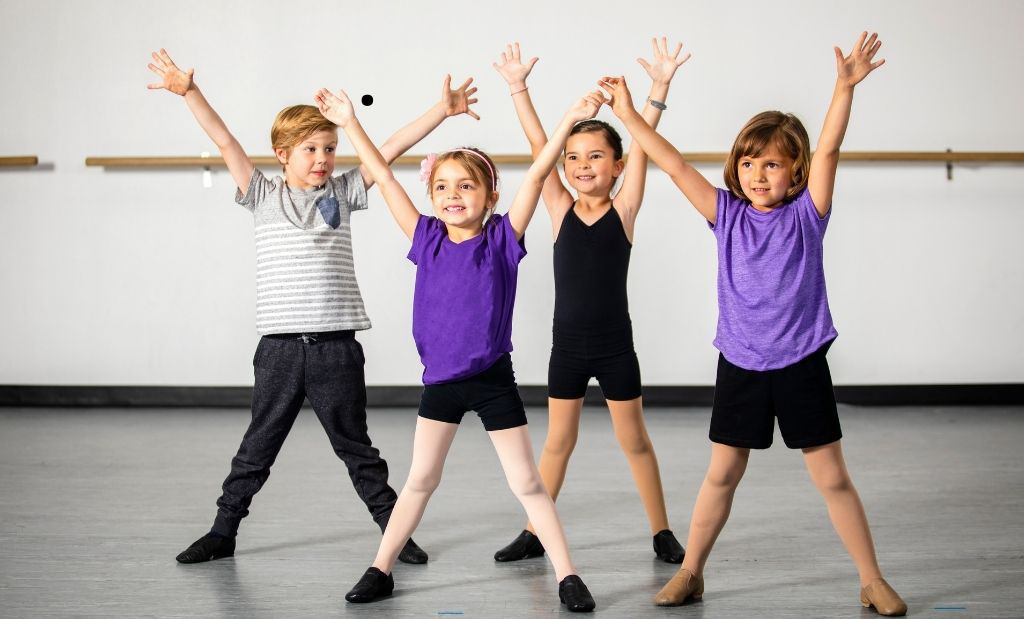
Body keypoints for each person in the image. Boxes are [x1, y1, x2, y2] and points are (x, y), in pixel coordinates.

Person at [600, 33, 907, 615]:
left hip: (800, 360)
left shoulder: (808, 215)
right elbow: (671, 163)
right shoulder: (726, 213)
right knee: (722, 474)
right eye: (749, 162)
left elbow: (832, 149)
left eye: (773, 164)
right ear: (736, 170)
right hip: (740, 360)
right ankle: (691, 572)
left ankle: (870, 578)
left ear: (796, 171)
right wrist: (630, 115)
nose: (759, 174)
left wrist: (843, 89)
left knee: (832, 478)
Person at [147, 48, 478, 566]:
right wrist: (190, 91)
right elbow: (224, 139)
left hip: (335, 350)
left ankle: (395, 535)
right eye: (310, 149)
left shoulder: (344, 192)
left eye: (329, 148)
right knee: (257, 448)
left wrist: (443, 110)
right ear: (283, 154)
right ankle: (223, 531)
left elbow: (388, 148)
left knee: (358, 450)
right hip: (279, 350)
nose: (323, 159)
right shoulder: (259, 193)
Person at [315, 84, 604, 612]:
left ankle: (568, 575)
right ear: (431, 197)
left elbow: (539, 174)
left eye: (467, 186)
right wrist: (351, 124)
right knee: (420, 479)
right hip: (441, 384)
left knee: (527, 483)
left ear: (491, 196)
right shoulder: (425, 237)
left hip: (493, 380)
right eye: (443, 186)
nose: (454, 195)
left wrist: (568, 120)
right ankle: (381, 568)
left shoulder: (502, 238)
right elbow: (380, 174)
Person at [490, 39, 688, 565]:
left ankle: (661, 531)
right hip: (568, 349)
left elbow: (645, 144)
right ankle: (535, 532)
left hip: (615, 348)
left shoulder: (625, 208)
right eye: (573, 157)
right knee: (557, 444)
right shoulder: (557, 206)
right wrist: (518, 87)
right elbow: (540, 145)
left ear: (617, 165)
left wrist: (658, 88)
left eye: (596, 156)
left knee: (636, 442)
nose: (581, 165)